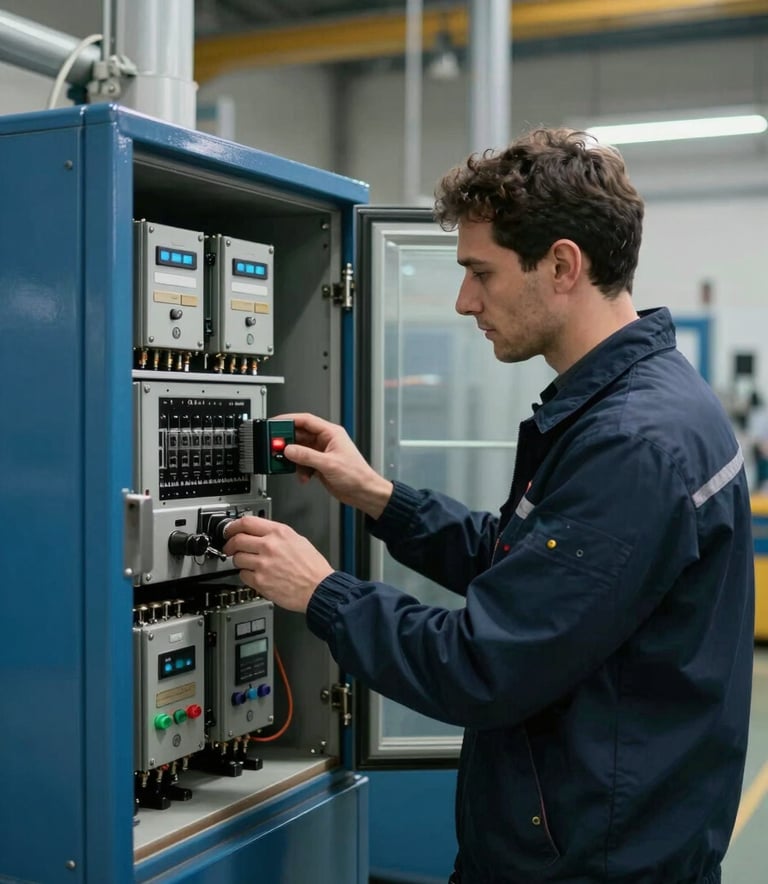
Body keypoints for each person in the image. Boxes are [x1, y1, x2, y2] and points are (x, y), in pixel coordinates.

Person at [223, 128, 754, 884]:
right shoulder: (640, 407)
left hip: (589, 865)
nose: (464, 300)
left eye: (482, 272)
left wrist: (321, 593)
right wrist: (381, 498)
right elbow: (532, 571)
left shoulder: (635, 444)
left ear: (563, 266)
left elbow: (483, 664)